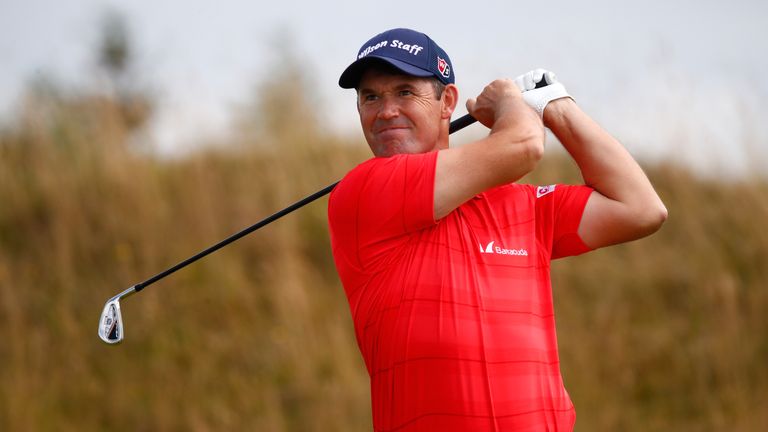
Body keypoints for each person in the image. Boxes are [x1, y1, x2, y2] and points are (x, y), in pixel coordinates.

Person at [327, 28, 667, 432]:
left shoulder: (523, 204)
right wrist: (510, 101)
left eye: (404, 92)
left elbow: (641, 208)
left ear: (447, 102)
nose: (385, 111)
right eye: (371, 97)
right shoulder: (366, 190)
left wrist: (556, 104)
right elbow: (524, 146)